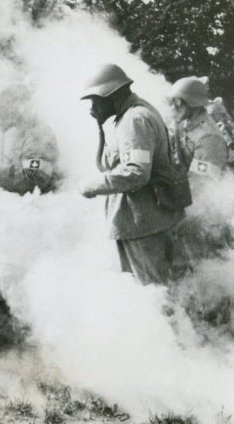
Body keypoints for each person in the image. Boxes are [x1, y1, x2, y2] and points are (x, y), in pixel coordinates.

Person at [78, 65, 186, 285]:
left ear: (111, 95)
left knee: (154, 293)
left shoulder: (134, 119)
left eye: (95, 100)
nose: (93, 107)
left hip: (143, 222)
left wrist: (91, 186)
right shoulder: (135, 114)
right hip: (146, 220)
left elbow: (136, 172)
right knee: (157, 290)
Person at [0, 84, 60, 195]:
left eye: (2, 109)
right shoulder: (20, 133)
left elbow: (35, 179)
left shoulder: (36, 134)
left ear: (18, 108)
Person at [168, 77, 230, 191]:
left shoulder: (209, 137)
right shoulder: (184, 124)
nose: (173, 107)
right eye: (172, 102)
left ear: (193, 103)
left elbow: (201, 185)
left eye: (178, 102)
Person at [205, 97, 234, 176]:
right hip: (226, 179)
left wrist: (224, 134)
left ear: (221, 117)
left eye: (212, 118)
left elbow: (231, 157)